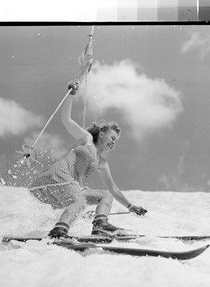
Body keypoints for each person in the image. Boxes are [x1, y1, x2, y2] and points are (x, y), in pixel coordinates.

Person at [28, 79, 147, 238]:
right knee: (79, 202)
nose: (114, 142)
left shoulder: (102, 163)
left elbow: (114, 189)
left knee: (106, 195)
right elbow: (66, 120)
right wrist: (72, 94)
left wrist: (131, 207)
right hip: (56, 177)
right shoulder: (86, 139)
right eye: (112, 137)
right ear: (102, 133)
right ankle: (59, 231)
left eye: (116, 141)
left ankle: (100, 226)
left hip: (64, 185)